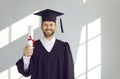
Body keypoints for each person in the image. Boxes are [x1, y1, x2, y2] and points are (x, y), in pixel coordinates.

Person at [16, 9, 74, 79]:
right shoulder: (33, 46)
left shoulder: (64, 47)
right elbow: (26, 72)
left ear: (55, 26)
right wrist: (26, 56)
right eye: (45, 24)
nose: (48, 27)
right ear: (41, 26)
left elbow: (69, 73)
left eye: (51, 25)